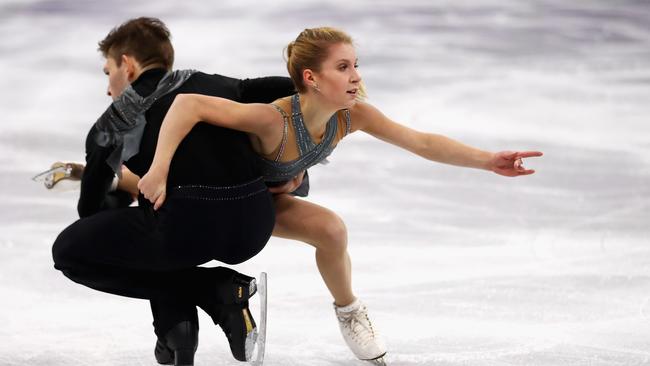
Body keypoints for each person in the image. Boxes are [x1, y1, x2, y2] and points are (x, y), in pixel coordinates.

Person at [138, 26, 544, 363]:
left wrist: (490, 160)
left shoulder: (354, 116)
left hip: (264, 199)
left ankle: (350, 312)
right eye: (344, 67)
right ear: (311, 78)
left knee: (331, 230)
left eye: (356, 66)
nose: (356, 77)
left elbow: (420, 142)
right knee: (141, 188)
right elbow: (188, 104)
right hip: (220, 197)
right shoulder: (272, 118)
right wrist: (157, 171)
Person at [51, 17, 295, 366]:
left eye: (108, 72)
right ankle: (177, 331)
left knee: (70, 252)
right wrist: (294, 168)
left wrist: (114, 202)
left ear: (128, 65)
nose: (108, 88)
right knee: (156, 230)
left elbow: (89, 215)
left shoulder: (112, 123)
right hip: (255, 224)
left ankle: (212, 290)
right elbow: (302, 95)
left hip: (189, 231)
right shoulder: (222, 84)